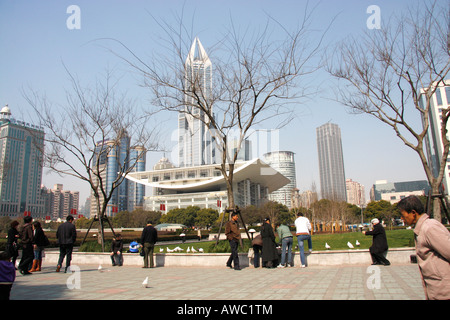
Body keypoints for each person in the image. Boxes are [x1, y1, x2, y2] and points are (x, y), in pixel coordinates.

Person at [397, 195, 450, 300]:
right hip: (436, 290)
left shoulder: (430, 228)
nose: (402, 219)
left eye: (403, 215)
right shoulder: (421, 229)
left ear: (413, 213)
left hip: (444, 290)